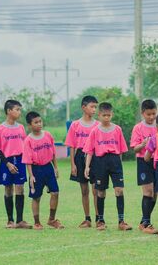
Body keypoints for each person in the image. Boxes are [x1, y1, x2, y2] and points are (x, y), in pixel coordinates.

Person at [83, 102, 132, 231]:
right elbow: (89, 150)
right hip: (100, 161)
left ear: (112, 115)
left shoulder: (117, 129)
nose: (106, 118)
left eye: (108, 115)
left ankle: (121, 221)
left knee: (119, 190)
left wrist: (119, 166)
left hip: (115, 161)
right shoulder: (94, 131)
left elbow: (121, 150)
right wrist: (87, 167)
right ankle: (100, 220)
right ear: (99, 115)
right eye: (104, 115)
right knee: (101, 192)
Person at [0, 100, 31, 229]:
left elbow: (25, 144)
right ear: (9, 111)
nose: (19, 112)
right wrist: (7, 163)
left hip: (19, 160)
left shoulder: (20, 127)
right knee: (8, 188)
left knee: (20, 187)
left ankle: (20, 221)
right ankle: (10, 220)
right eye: (17, 109)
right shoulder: (0, 129)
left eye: (20, 109)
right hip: (6, 161)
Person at [23, 111, 63, 230]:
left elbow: (53, 153)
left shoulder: (47, 135)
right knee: (36, 197)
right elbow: (27, 160)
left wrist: (55, 168)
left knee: (55, 193)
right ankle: (37, 222)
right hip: (36, 170)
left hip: (48, 168)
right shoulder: (28, 140)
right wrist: (31, 176)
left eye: (40, 121)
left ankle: (51, 219)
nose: (39, 124)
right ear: (29, 125)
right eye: (36, 122)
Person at [65, 95, 99, 228]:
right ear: (84, 107)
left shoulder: (97, 125)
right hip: (80, 157)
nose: (94, 109)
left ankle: (99, 218)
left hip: (95, 158)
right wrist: (73, 164)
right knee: (84, 190)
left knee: (96, 190)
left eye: (96, 107)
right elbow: (72, 146)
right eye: (92, 106)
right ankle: (87, 218)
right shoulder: (75, 125)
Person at [130, 99, 158, 234]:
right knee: (148, 191)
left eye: (153, 114)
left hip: (157, 161)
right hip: (143, 162)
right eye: (148, 114)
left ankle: (144, 221)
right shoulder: (138, 128)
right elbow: (134, 149)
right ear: (143, 113)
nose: (151, 117)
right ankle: (146, 223)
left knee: (155, 194)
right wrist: (143, 144)